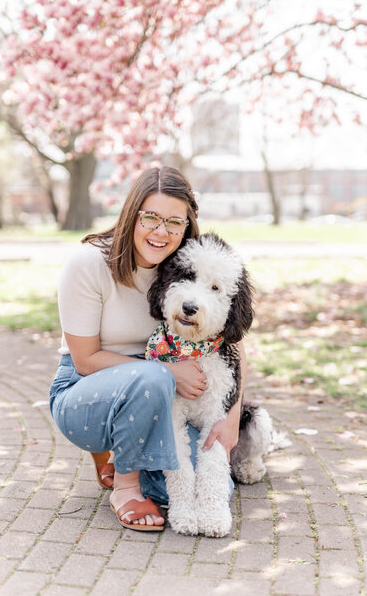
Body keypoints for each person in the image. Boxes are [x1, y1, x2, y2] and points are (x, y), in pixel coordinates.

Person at [49, 166, 246, 532]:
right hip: (85, 392)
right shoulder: (88, 264)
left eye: (174, 222)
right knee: (152, 378)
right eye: (151, 217)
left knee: (203, 485)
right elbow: (85, 359)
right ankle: (125, 487)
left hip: (161, 392)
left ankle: (126, 455)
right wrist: (168, 372)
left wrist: (230, 418)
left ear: (187, 225)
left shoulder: (182, 268)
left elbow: (232, 346)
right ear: (131, 214)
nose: (161, 232)